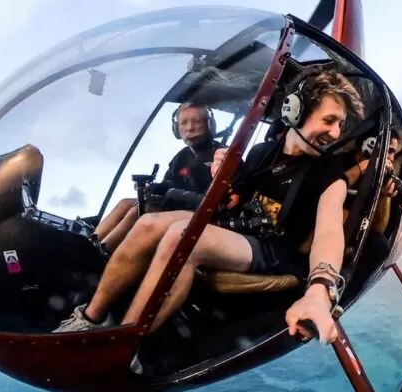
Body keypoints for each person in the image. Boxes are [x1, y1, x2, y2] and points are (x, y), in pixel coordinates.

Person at [54, 67, 365, 355]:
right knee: (148, 222)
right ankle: (90, 318)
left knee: (183, 236)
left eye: (340, 124)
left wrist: (320, 289)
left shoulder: (328, 172)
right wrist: (223, 179)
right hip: (237, 227)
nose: (335, 133)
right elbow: (233, 199)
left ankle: (120, 344)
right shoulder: (262, 153)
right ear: (296, 111)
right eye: (329, 120)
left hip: (271, 248)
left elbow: (329, 231)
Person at [92, 102, 224, 254]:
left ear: (209, 125)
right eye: (183, 123)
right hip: (179, 207)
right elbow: (169, 182)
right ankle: (91, 239)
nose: (189, 128)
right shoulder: (182, 157)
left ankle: (102, 251)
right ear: (176, 128)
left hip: (205, 217)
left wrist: (169, 192)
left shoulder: (221, 157)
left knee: (143, 208)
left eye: (197, 121)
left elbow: (215, 202)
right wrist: (155, 188)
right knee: (126, 203)